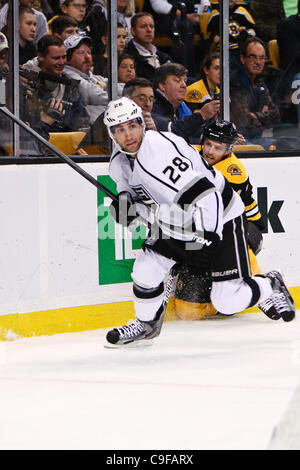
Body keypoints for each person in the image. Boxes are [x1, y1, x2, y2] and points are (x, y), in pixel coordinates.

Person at [102, 97, 295, 346]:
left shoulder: (159, 153)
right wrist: (125, 207)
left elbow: (208, 195)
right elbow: (134, 196)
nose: (128, 135)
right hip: (177, 219)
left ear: (142, 124)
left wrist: (210, 235)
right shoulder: (119, 163)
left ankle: (270, 284)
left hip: (221, 217)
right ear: (112, 134)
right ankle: (146, 324)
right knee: (145, 269)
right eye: (120, 130)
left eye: (132, 126)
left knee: (228, 300)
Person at [175, 119, 265, 320]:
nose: (210, 151)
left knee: (234, 243)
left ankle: (262, 286)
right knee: (187, 312)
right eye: (208, 144)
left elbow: (213, 212)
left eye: (218, 147)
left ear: (229, 149)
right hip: (207, 230)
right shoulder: (191, 153)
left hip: (244, 225)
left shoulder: (233, 171)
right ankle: (221, 303)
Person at [21, 34, 89, 132]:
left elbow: (82, 121)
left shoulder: (70, 85)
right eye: (56, 58)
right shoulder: (22, 82)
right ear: (40, 57)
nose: (62, 62)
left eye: (64, 57)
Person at [230, 37, 280, 148]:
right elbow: (244, 123)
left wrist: (256, 115)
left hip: (258, 139)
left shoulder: (260, 83)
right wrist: (263, 115)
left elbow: (276, 115)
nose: (258, 62)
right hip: (239, 142)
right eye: (253, 57)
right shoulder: (233, 83)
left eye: (262, 58)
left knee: (285, 145)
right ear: (242, 59)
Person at [63, 34, 124, 124]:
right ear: (67, 59)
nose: (87, 56)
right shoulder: (67, 74)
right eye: (81, 52)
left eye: (89, 52)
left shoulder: (91, 76)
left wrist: (134, 91)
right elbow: (93, 95)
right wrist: (125, 101)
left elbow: (112, 85)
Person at [152, 62, 220, 142]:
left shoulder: (182, 107)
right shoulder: (151, 106)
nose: (184, 85)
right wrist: (201, 116)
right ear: (162, 86)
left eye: (185, 81)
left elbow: (194, 134)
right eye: (177, 81)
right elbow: (171, 131)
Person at [124, 12, 172, 83]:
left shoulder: (164, 57)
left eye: (152, 26)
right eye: (143, 26)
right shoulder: (128, 56)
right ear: (133, 31)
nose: (149, 30)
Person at [207, 0, 256, 70]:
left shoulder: (242, 12)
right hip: (221, 50)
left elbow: (253, 31)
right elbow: (209, 33)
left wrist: (247, 33)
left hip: (240, 49)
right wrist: (214, 37)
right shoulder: (215, 14)